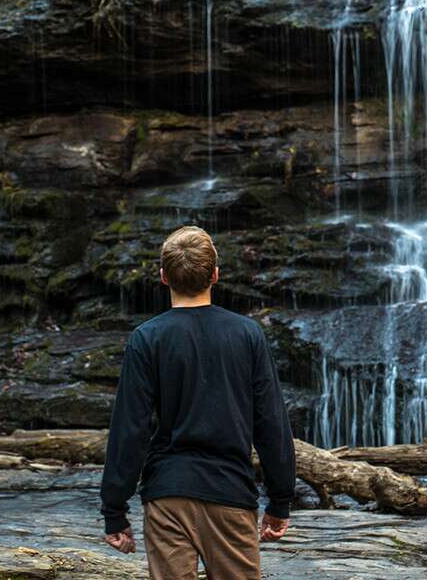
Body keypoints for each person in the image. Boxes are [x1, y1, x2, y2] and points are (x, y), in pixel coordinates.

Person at [100, 225, 296, 579]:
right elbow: (271, 423)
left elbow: (130, 428)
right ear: (216, 275)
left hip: (167, 496)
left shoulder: (148, 338)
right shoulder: (247, 334)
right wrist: (280, 500)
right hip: (231, 494)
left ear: (163, 277)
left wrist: (114, 509)